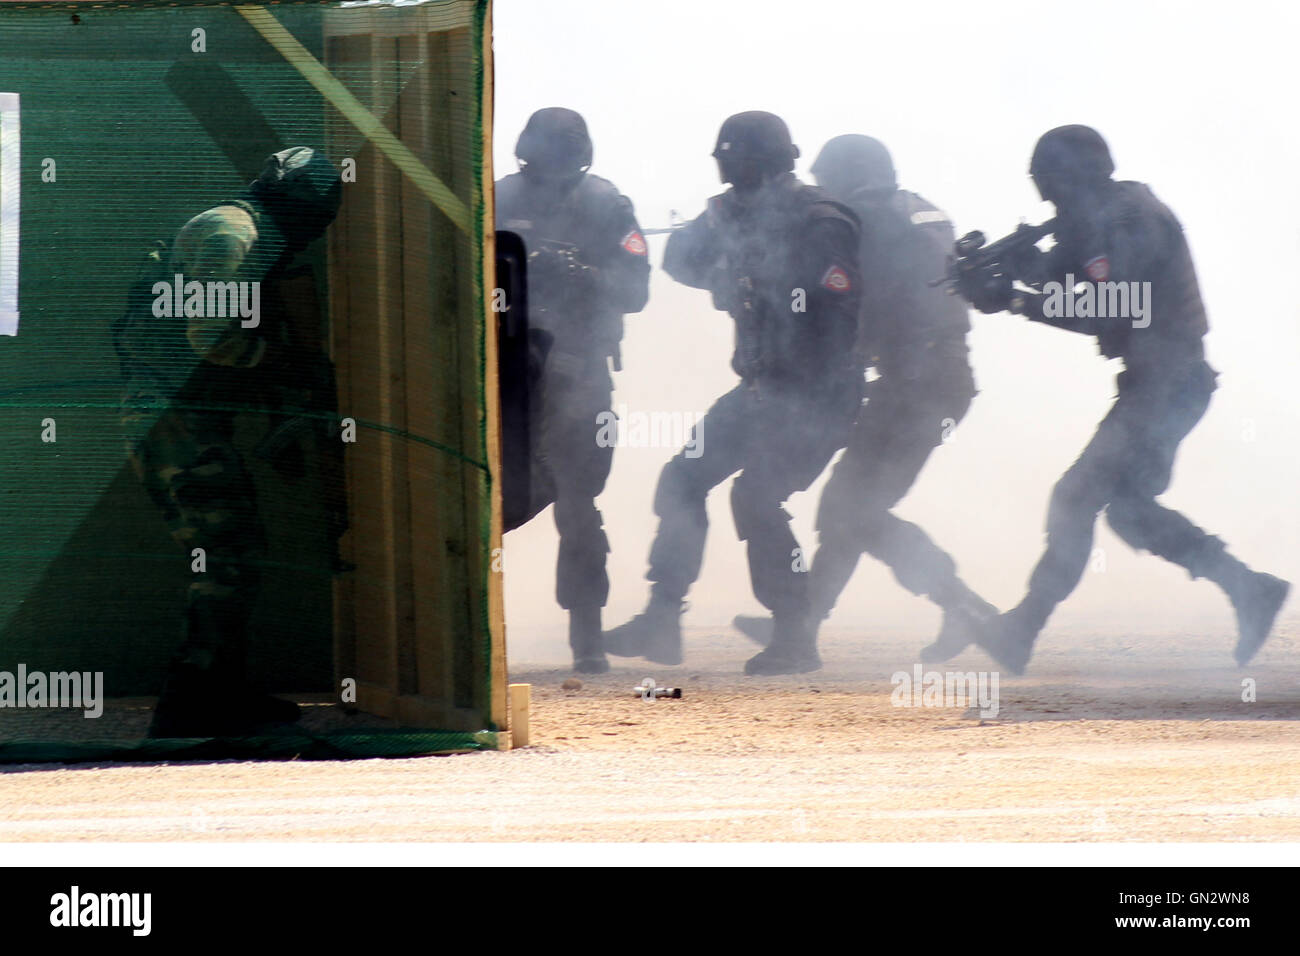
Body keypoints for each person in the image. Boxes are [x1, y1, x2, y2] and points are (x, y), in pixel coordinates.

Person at [958, 125, 1289, 673]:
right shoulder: (1104, 218)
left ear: (1074, 178)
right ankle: (1249, 588)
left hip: (1169, 383)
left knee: (1074, 497)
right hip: (1161, 384)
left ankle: (1020, 631)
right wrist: (1013, 271)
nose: (1048, 201)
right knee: (1130, 513)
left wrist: (1016, 298)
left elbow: (1111, 307)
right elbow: (1073, 279)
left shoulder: (1128, 220)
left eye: (1051, 186)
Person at [604, 111, 862, 674]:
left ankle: (796, 635)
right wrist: (726, 268)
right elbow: (679, 259)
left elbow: (839, 313)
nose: (727, 173)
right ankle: (662, 618)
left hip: (817, 397)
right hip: (759, 390)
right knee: (683, 478)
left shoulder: (820, 220)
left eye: (737, 162)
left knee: (756, 496)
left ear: (765, 164)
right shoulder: (730, 214)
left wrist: (772, 289)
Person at [734, 135, 996, 670]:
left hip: (915, 381)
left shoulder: (859, 218)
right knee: (848, 507)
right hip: (938, 375)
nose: (821, 194)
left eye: (826, 182)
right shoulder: (921, 210)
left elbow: (844, 296)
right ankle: (806, 620)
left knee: (851, 509)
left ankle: (960, 603)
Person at [116, 146, 343, 736]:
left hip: (186, 418)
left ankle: (218, 693)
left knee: (235, 552)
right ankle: (191, 702)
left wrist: (277, 414)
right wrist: (292, 367)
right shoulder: (232, 233)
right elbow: (211, 338)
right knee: (226, 558)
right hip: (169, 419)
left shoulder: (253, 235)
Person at [495, 108, 651, 673]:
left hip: (580, 367)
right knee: (503, 497)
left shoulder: (607, 205)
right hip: (510, 373)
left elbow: (635, 291)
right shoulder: (499, 199)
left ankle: (587, 638)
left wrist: (581, 274)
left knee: (578, 500)